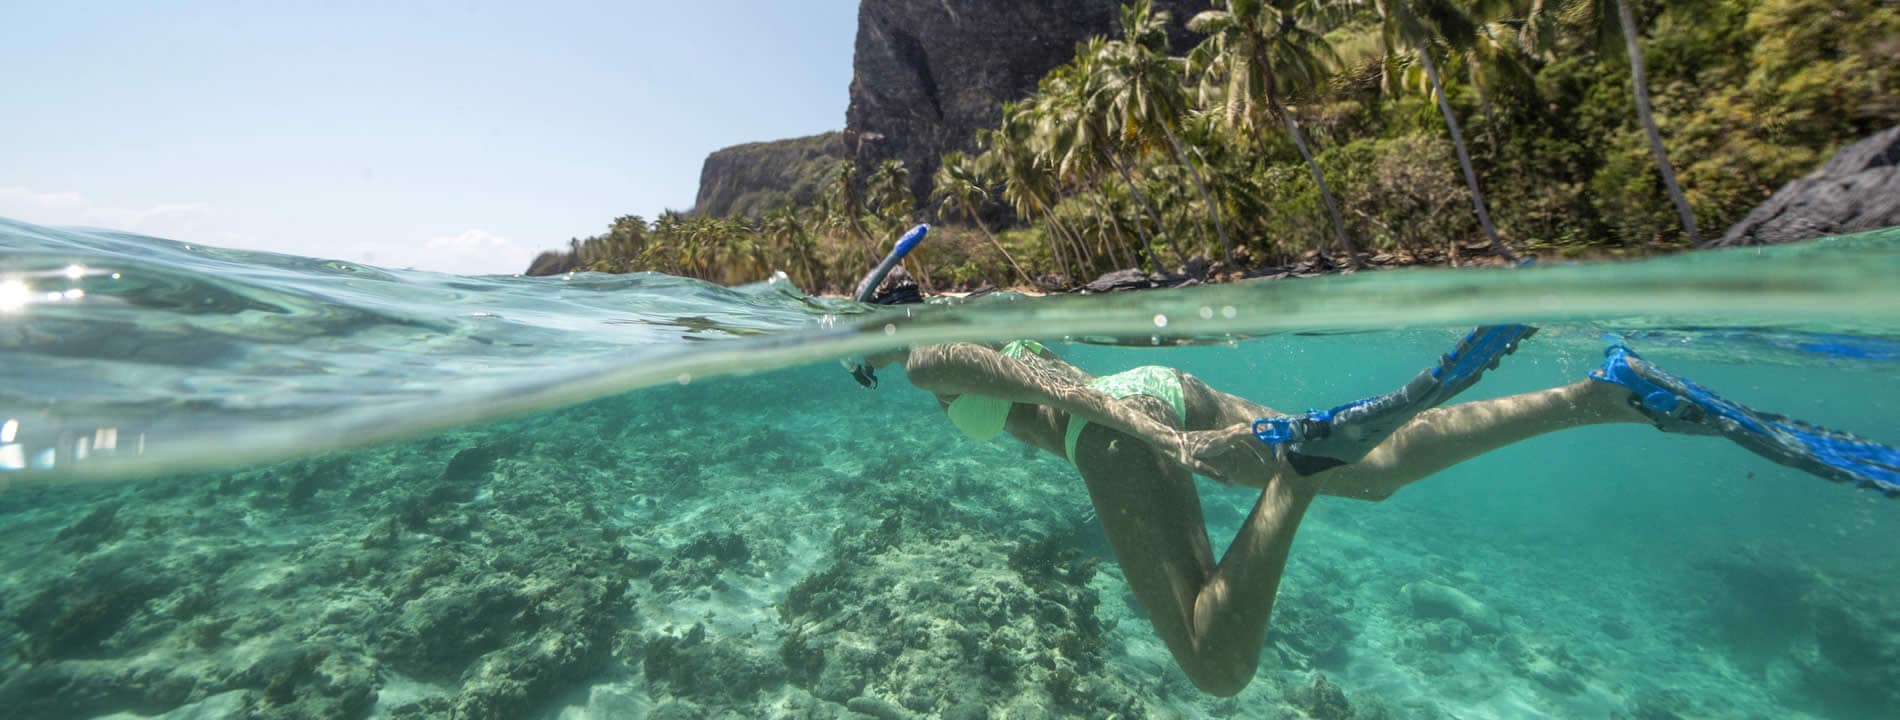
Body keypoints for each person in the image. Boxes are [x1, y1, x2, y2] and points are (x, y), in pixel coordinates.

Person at [847, 230, 1900, 695]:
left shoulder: (926, 355)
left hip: (1119, 431)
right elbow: (1056, 365)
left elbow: (1031, 383)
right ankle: (1603, 394)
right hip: (1142, 404)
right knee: (1383, 468)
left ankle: (1294, 480)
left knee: (1215, 666)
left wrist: (1158, 437)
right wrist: (1163, 397)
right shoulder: (986, 328)